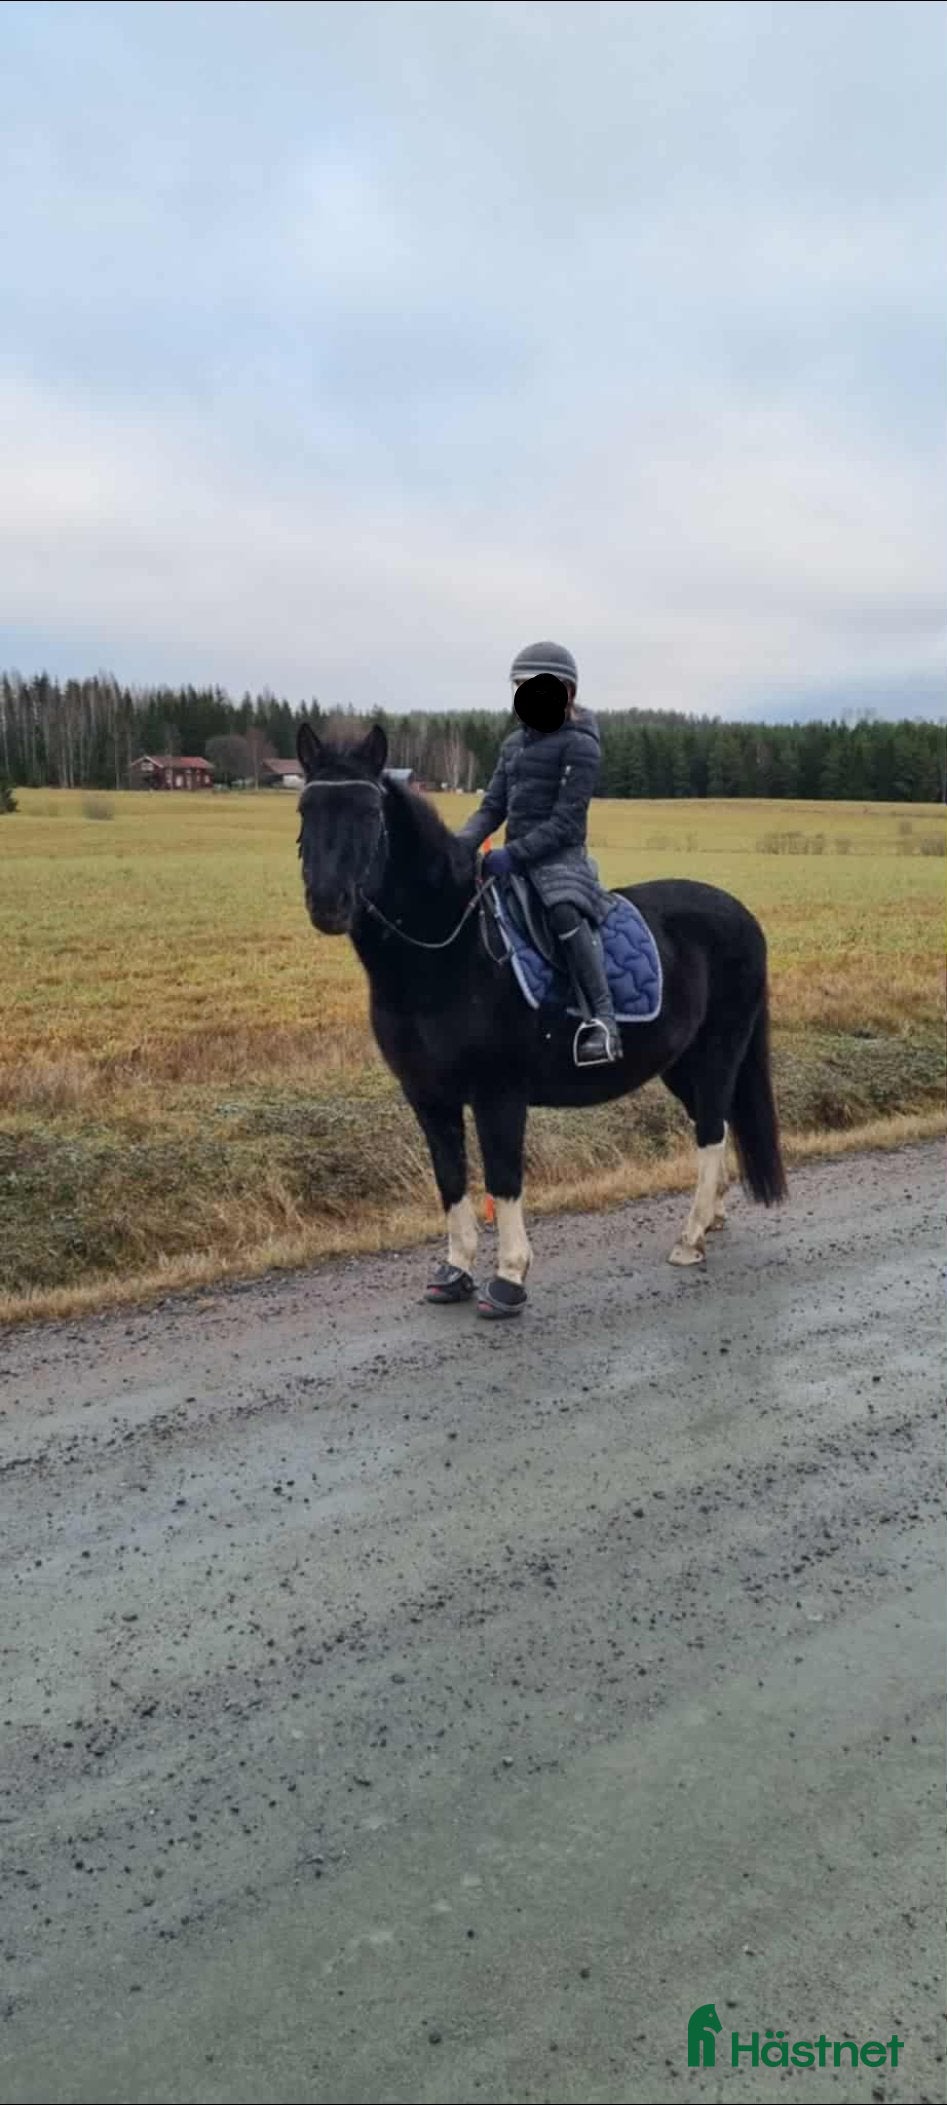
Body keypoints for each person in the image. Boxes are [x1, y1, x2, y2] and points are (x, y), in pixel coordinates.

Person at [458, 640, 621, 1064]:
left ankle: (603, 1020)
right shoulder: (512, 746)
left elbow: (567, 821)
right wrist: (457, 847)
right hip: (515, 856)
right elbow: (492, 807)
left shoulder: (581, 744)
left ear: (564, 692)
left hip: (560, 859)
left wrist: (515, 855)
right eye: (519, 687)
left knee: (562, 911)